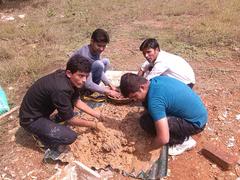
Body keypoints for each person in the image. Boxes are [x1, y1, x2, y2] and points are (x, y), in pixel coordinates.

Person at [19, 54, 105, 156]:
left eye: (86, 76)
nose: (84, 80)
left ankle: (48, 122)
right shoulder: (61, 89)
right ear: (69, 73)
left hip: (41, 112)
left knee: (68, 110)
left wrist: (97, 115)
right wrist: (94, 125)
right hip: (31, 119)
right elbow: (70, 120)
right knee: (70, 136)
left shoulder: (71, 80)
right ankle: (41, 138)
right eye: (81, 75)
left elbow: (76, 101)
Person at [120, 73, 208, 155]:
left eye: (134, 96)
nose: (134, 100)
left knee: (146, 123)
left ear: (142, 87)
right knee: (147, 108)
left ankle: (184, 142)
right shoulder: (155, 80)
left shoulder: (155, 102)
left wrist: (146, 149)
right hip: (198, 114)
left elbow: (163, 139)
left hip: (195, 124)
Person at [72, 28, 120, 97]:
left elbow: (99, 69)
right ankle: (86, 92)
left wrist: (109, 84)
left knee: (105, 61)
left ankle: (93, 88)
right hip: (79, 85)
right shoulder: (84, 55)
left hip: (87, 75)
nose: (101, 49)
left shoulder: (94, 50)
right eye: (99, 45)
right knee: (99, 64)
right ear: (92, 41)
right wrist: (107, 91)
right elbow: (87, 83)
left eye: (104, 46)